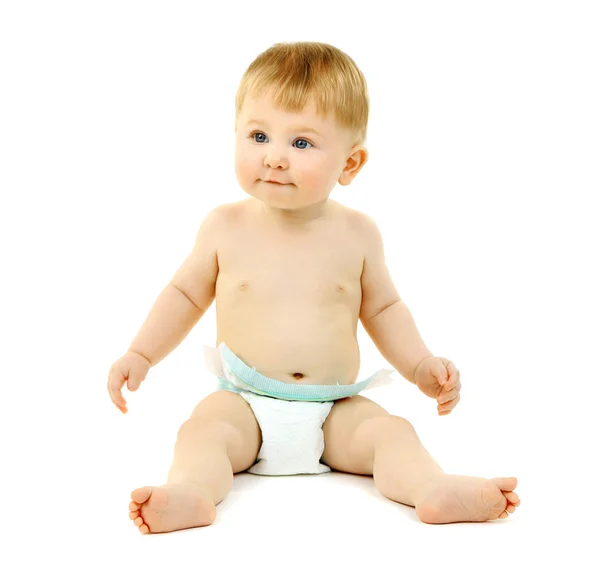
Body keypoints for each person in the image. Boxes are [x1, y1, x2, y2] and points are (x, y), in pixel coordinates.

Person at [107, 41, 520, 534]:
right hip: (245, 403)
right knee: (203, 432)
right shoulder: (224, 226)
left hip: (333, 409)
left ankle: (430, 489)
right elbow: (185, 296)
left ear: (350, 164)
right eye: (258, 136)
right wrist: (141, 354)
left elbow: (385, 310)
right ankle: (193, 494)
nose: (275, 158)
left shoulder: (358, 234)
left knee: (390, 432)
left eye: (300, 144)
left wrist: (420, 365)